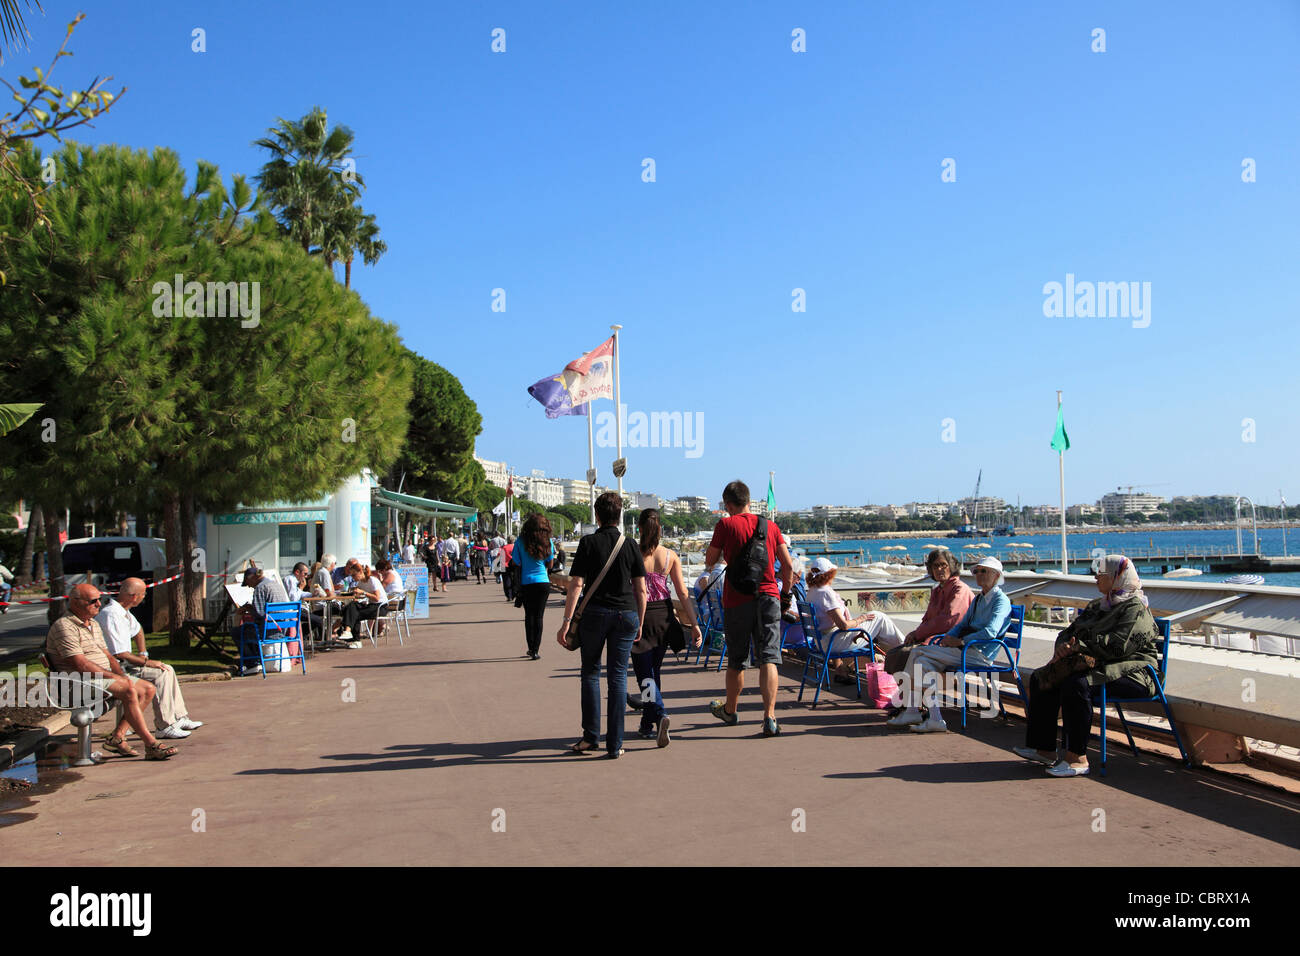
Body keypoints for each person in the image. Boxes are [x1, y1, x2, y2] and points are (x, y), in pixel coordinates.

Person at [1014, 554, 1160, 777]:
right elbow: (1069, 632)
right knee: (1041, 677)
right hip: (1098, 665)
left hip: (1134, 672)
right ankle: (1044, 749)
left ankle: (1077, 758)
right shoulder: (1098, 606)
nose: (1095, 579)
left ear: (1116, 577)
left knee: (1076, 686)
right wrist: (1064, 645)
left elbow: (1119, 648)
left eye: (1100, 575)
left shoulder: (1135, 609)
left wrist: (1078, 647)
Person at [556, 491, 646, 758]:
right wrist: (640, 621)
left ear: (597, 515)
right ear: (619, 516)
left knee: (591, 673)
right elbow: (641, 589)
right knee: (618, 677)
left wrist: (566, 621)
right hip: (626, 615)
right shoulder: (630, 544)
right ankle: (615, 743)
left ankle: (591, 737)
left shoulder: (588, 543)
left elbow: (576, 585)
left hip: (594, 615)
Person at [703, 480, 796, 737]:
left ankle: (731, 710)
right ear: (748, 499)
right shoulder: (770, 526)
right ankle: (769, 716)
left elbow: (710, 561)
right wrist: (785, 596)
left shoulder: (725, 524)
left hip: (737, 599)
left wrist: (726, 554)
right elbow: (788, 567)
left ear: (728, 504)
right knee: (768, 658)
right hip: (768, 596)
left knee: (737, 660)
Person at [45, 583, 177, 760]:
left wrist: (122, 676)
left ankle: (117, 737)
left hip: (97, 678)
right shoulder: (65, 626)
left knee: (147, 689)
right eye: (93, 601)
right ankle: (151, 744)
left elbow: (108, 656)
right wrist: (117, 678)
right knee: (129, 689)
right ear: (75, 603)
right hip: (76, 682)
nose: (99, 604)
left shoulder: (92, 623)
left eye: (100, 600)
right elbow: (81, 665)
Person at [886, 556, 1010, 734]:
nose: (979, 574)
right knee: (922, 663)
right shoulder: (978, 599)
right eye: (977, 571)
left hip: (979, 653)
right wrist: (948, 638)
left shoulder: (1001, 600)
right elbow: (961, 625)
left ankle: (912, 710)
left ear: (997, 575)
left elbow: (991, 632)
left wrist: (959, 641)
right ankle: (935, 718)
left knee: (918, 652)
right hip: (965, 649)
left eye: (985, 571)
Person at [626, 509, 702, 747]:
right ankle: (647, 724)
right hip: (664, 617)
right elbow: (682, 593)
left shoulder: (632, 554)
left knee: (645, 676)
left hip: (640, 616)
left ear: (639, 528)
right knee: (653, 673)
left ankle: (660, 714)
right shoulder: (670, 556)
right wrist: (695, 624)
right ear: (660, 529)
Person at [95, 578, 202, 740]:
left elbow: (138, 631)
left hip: (124, 664)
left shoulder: (124, 612)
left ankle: (179, 717)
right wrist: (147, 662)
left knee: (167, 669)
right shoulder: (111, 615)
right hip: (115, 668)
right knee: (159, 673)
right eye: (143, 594)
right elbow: (119, 654)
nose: (144, 597)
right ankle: (164, 725)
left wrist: (143, 653)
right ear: (133, 596)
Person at [882, 548, 974, 707]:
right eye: (935, 566)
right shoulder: (938, 590)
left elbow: (948, 620)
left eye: (943, 565)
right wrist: (915, 633)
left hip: (949, 642)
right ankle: (909, 701)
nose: (939, 569)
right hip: (933, 640)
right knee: (893, 654)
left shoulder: (959, 589)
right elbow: (928, 619)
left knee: (906, 654)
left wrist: (919, 634)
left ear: (951, 566)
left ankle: (912, 704)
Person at [803, 557, 907, 683]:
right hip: (833, 643)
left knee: (874, 616)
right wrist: (860, 619)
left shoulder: (812, 592)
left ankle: (841, 671)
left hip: (820, 642)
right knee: (879, 617)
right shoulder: (825, 593)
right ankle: (905, 648)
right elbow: (843, 625)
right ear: (829, 574)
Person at [516, 514, 556, 660]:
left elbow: (517, 562)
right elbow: (550, 563)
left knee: (529, 616)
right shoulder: (548, 541)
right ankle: (536, 650)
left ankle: (530, 647)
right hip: (543, 582)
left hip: (527, 582)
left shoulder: (520, 541)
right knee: (539, 617)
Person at [338, 563, 388, 644]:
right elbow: (359, 597)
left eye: (354, 575)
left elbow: (376, 598)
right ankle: (349, 633)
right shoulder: (360, 583)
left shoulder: (372, 580)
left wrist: (363, 593)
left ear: (361, 572)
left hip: (380, 607)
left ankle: (354, 638)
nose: (353, 578)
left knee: (355, 614)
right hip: (372, 605)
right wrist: (354, 595)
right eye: (351, 576)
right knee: (352, 607)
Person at [501, 536, 517, 602]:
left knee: (506, 581)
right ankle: (514, 594)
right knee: (514, 580)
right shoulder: (516, 547)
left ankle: (509, 595)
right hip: (515, 565)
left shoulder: (504, 547)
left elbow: (501, 557)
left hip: (505, 565)